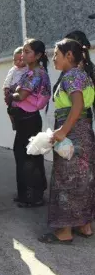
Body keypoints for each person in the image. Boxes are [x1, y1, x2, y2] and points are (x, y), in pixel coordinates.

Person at [39, 39, 95, 244]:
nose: (53, 58)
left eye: (56, 54)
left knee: (66, 181)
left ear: (69, 55)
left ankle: (64, 232)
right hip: (84, 133)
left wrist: (63, 130)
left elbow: (78, 104)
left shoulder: (70, 76)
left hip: (72, 135)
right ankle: (84, 225)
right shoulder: (84, 75)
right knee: (84, 180)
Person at [5, 39, 51, 208]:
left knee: (29, 158)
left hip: (29, 119)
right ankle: (26, 193)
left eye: (27, 52)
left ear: (38, 55)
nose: (23, 55)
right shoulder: (30, 72)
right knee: (23, 155)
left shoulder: (36, 73)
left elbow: (22, 95)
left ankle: (34, 196)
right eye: (23, 51)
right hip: (25, 119)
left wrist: (12, 94)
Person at [3, 47, 28, 129]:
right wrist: (6, 88)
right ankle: (14, 123)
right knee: (11, 108)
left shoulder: (28, 69)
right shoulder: (13, 70)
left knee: (20, 106)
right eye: (15, 60)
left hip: (22, 90)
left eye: (20, 60)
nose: (17, 62)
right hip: (13, 89)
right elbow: (8, 80)